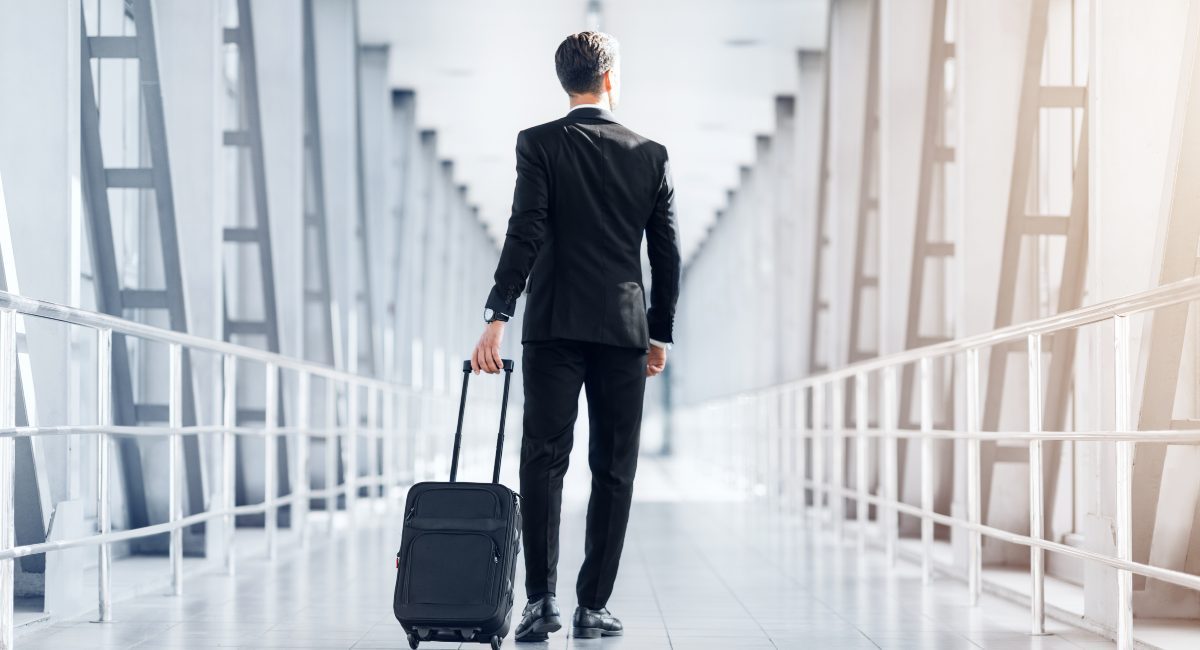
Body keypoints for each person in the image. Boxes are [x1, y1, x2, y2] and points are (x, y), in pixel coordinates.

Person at [470, 30, 681, 643]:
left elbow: (525, 230)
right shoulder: (651, 154)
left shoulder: (538, 144)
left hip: (554, 327)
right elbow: (664, 255)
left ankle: (540, 602)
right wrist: (659, 333)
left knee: (544, 459)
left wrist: (498, 312)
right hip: (623, 332)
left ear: (564, 82)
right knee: (614, 468)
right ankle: (594, 606)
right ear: (610, 78)